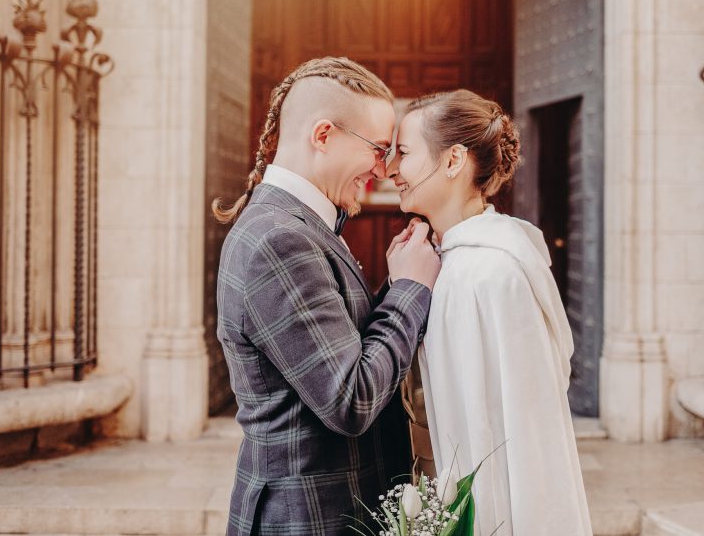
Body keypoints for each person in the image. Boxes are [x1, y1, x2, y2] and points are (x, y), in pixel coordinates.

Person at [213, 57, 441, 536]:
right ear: (323, 136)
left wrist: (393, 285)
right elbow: (349, 398)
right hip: (306, 517)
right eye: (377, 149)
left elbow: (335, 349)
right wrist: (409, 289)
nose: (383, 169)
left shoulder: (304, 225)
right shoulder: (280, 238)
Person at [387, 89, 593, 535]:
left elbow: (520, 435)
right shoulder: (438, 261)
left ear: (453, 160)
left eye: (403, 152)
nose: (391, 169)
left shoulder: (492, 273)